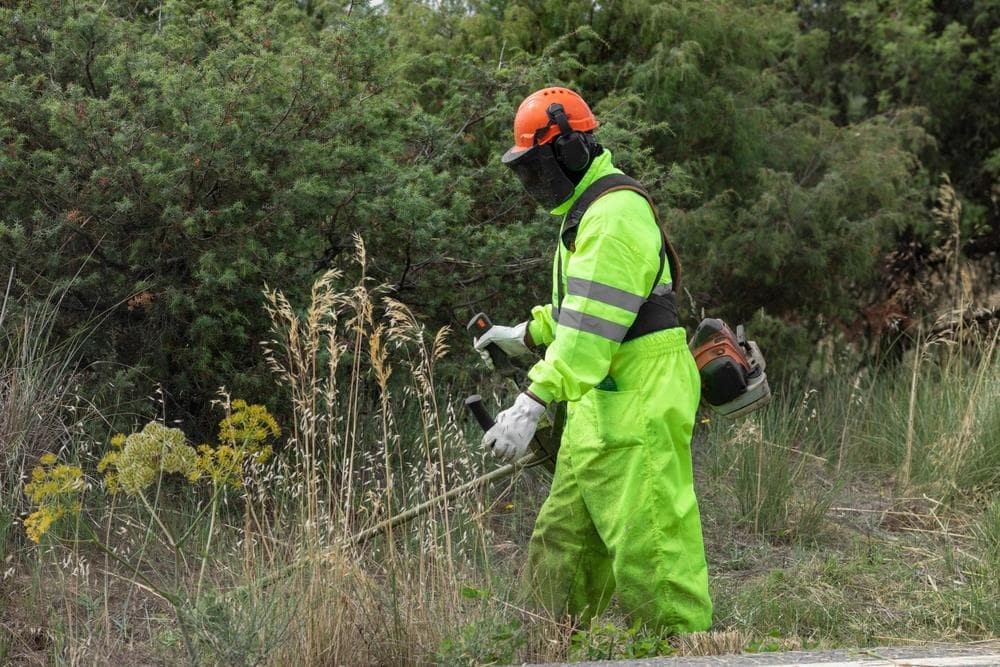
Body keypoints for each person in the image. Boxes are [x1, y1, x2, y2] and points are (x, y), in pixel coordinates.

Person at [475, 86, 712, 633]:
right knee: (564, 541)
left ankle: (680, 647)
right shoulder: (587, 212)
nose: (534, 182)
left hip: (639, 394)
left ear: (573, 149)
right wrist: (528, 333)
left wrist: (533, 399)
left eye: (539, 166)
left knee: (651, 538)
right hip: (599, 401)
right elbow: (583, 309)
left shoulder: (613, 216)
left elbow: (592, 330)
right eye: (525, 171)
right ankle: (547, 642)